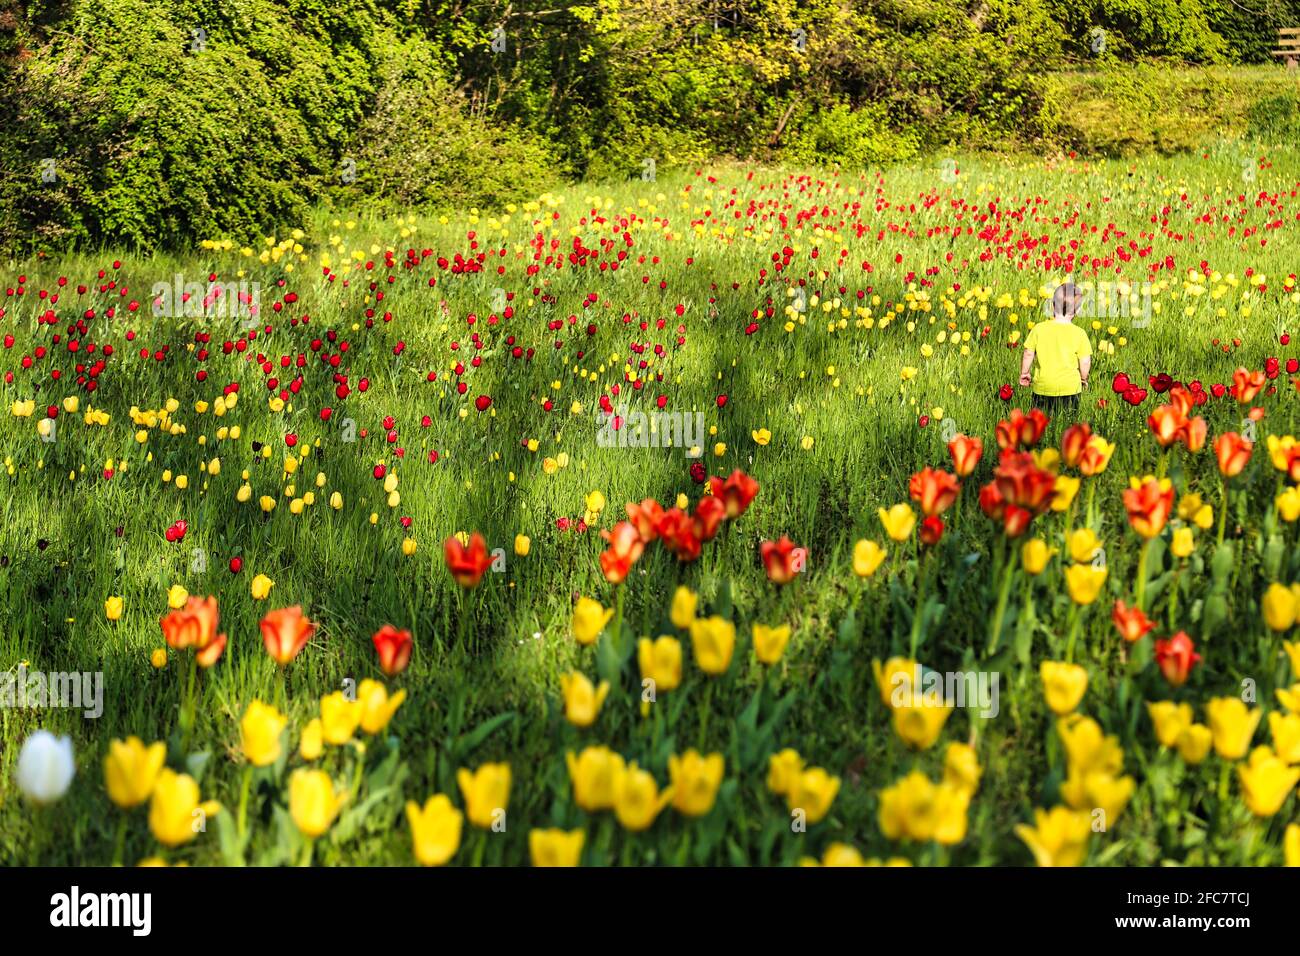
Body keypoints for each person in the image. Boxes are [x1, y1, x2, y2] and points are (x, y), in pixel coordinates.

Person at [1019, 282, 1092, 417]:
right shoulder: (1079, 333)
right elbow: (1085, 361)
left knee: (1039, 423)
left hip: (1043, 387)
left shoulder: (1039, 329)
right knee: (1068, 422)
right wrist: (1083, 378)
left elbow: (1028, 353)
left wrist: (1025, 372)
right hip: (1070, 389)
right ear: (1077, 310)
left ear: (1052, 305)